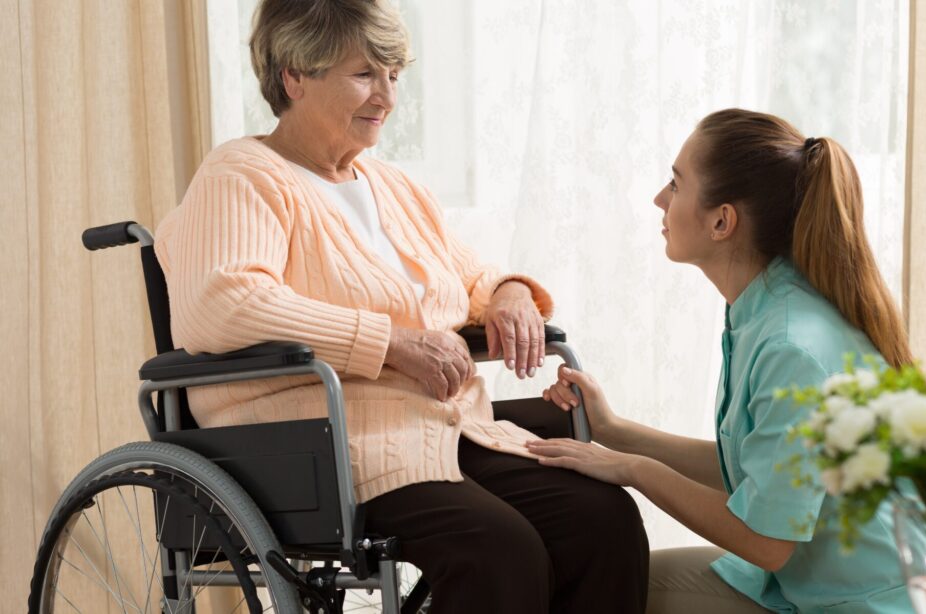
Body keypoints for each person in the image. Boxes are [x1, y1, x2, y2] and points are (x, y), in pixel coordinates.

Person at [153, 1, 648, 612]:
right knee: (498, 551)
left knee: (602, 521)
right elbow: (222, 304)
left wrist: (511, 294)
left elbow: (470, 277)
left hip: (442, 428)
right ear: (294, 76)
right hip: (327, 444)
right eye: (365, 74)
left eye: (394, 75)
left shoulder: (392, 186)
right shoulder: (242, 175)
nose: (387, 97)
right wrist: (389, 341)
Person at [528, 108, 913, 613]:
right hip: (806, 588)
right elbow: (758, 472)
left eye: (675, 184)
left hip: (866, 605)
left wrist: (633, 469)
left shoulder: (789, 346)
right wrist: (614, 431)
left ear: (722, 221)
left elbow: (767, 542)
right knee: (605, 582)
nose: (660, 199)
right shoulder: (763, 310)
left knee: (604, 591)